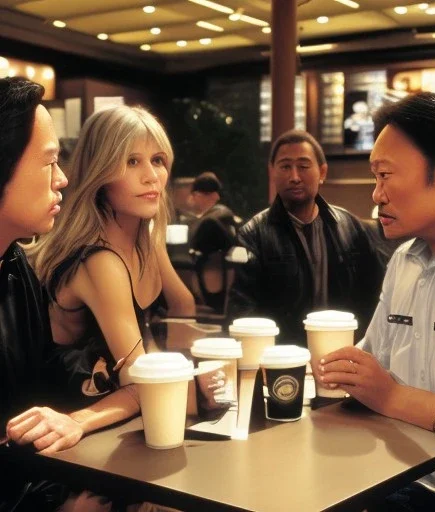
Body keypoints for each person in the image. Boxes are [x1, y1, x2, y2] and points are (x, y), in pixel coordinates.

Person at [319, 92, 435, 510]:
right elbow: (373, 369)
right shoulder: (407, 259)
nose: (376, 194)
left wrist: (390, 397)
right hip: (392, 483)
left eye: (386, 175)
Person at [0, 77, 131, 511]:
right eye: (49, 163)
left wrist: (101, 378)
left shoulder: (16, 266)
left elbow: (39, 377)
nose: (63, 180)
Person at [25, 105, 197, 411]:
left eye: (158, 160)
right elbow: (139, 378)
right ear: (100, 172)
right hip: (64, 418)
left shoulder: (148, 236)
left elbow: (182, 306)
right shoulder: (99, 260)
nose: (151, 176)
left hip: (122, 411)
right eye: (132, 161)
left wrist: (192, 369)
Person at [228, 129, 387, 345]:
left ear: (322, 172)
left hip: (343, 351)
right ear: (272, 172)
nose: (294, 177)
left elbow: (375, 298)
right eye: (285, 167)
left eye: (303, 166)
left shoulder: (350, 227)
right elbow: (242, 311)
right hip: (282, 358)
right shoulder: (253, 234)